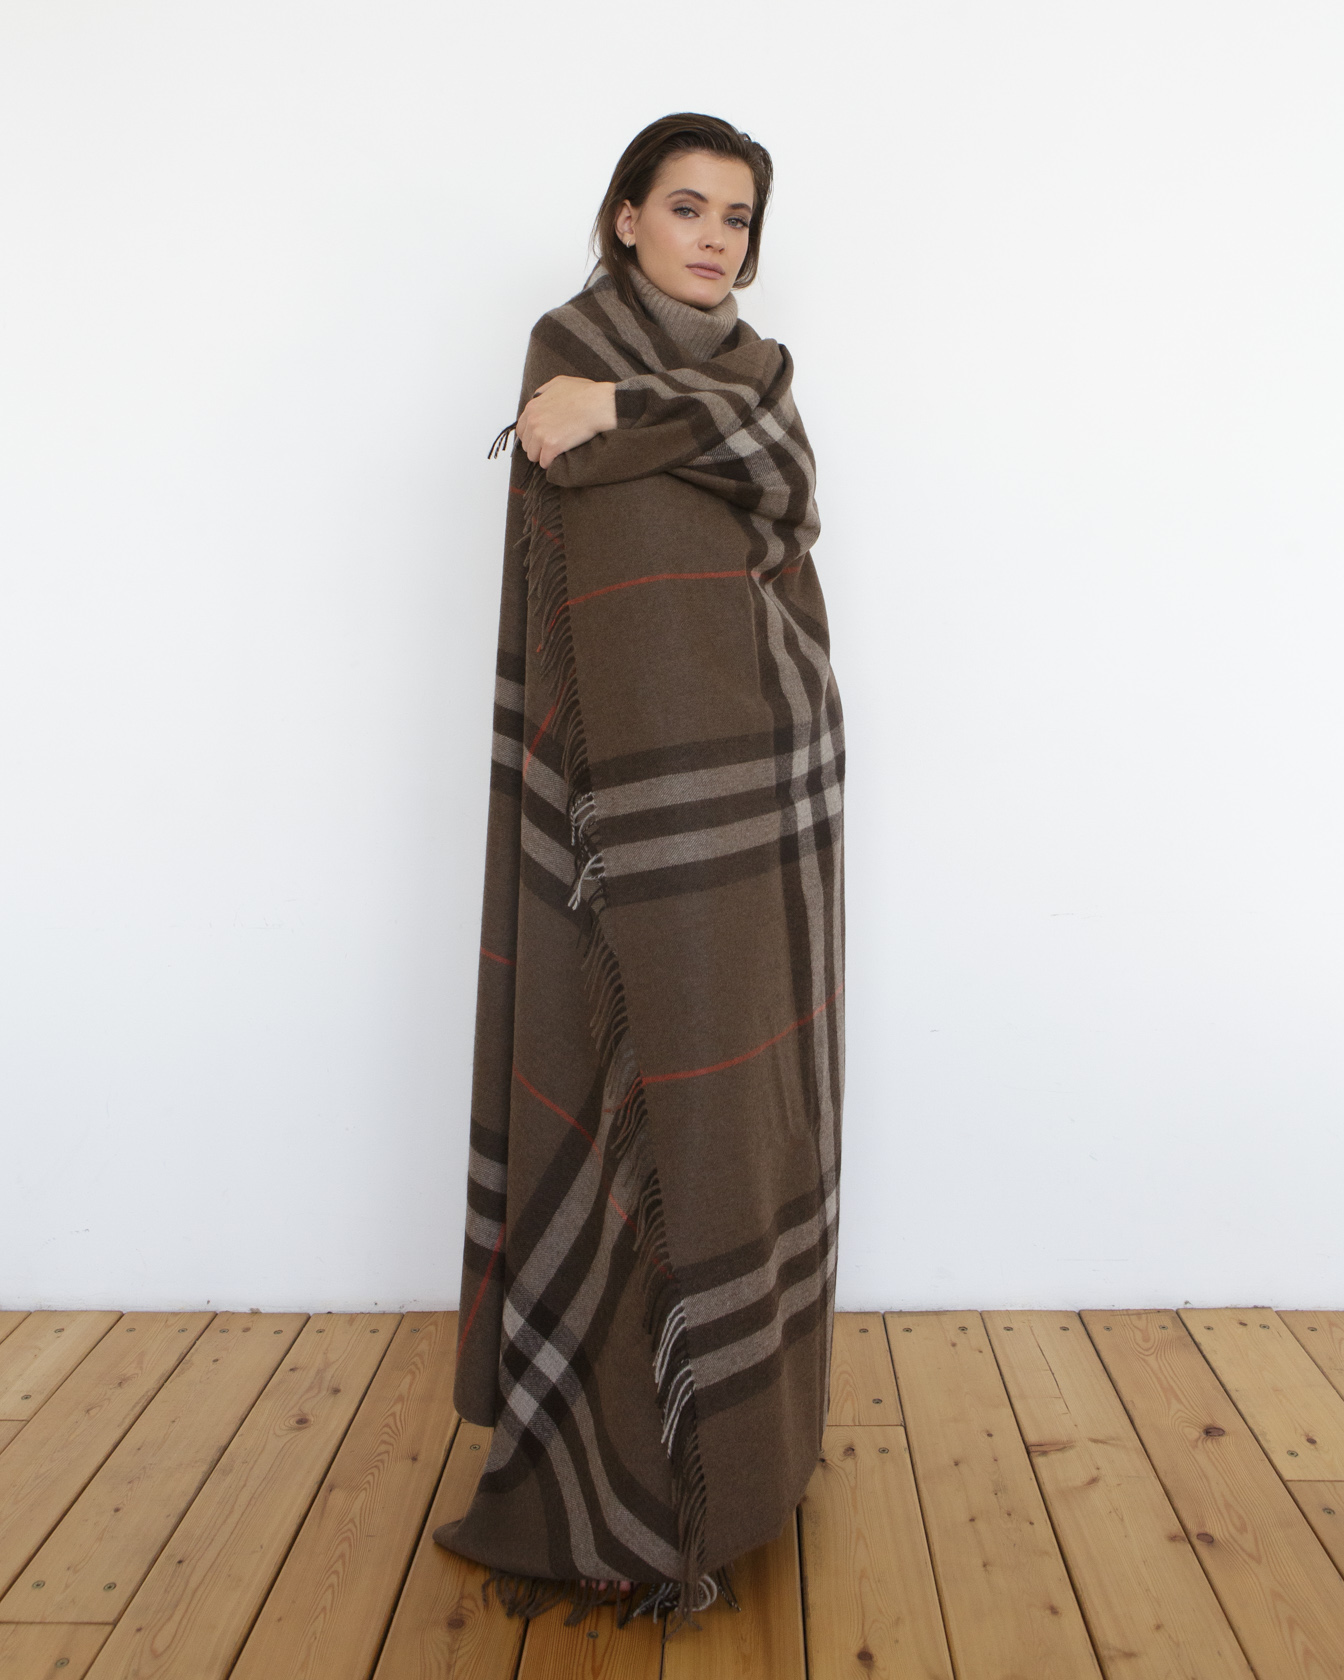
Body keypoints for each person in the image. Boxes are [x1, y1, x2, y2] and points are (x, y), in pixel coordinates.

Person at [434, 112, 845, 1642]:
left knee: (741, 1113)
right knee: (624, 1108)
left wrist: (630, 411)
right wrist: (611, 407)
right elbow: (590, 464)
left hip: (761, 792)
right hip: (617, 807)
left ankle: (745, 1460)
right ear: (623, 217)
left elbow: (785, 477)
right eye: (687, 207)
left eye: (738, 216)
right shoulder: (566, 356)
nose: (716, 238)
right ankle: (619, 1480)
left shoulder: (758, 377)